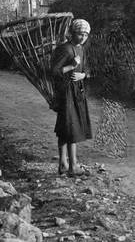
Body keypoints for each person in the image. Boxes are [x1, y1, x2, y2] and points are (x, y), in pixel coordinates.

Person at [50, 18, 92, 176]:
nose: (83, 38)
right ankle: (72, 165)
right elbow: (53, 72)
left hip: (77, 93)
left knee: (66, 127)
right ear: (73, 33)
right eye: (80, 34)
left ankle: (63, 164)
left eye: (86, 35)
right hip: (65, 93)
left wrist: (83, 75)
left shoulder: (81, 49)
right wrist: (71, 66)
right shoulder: (65, 49)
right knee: (70, 127)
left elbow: (87, 69)